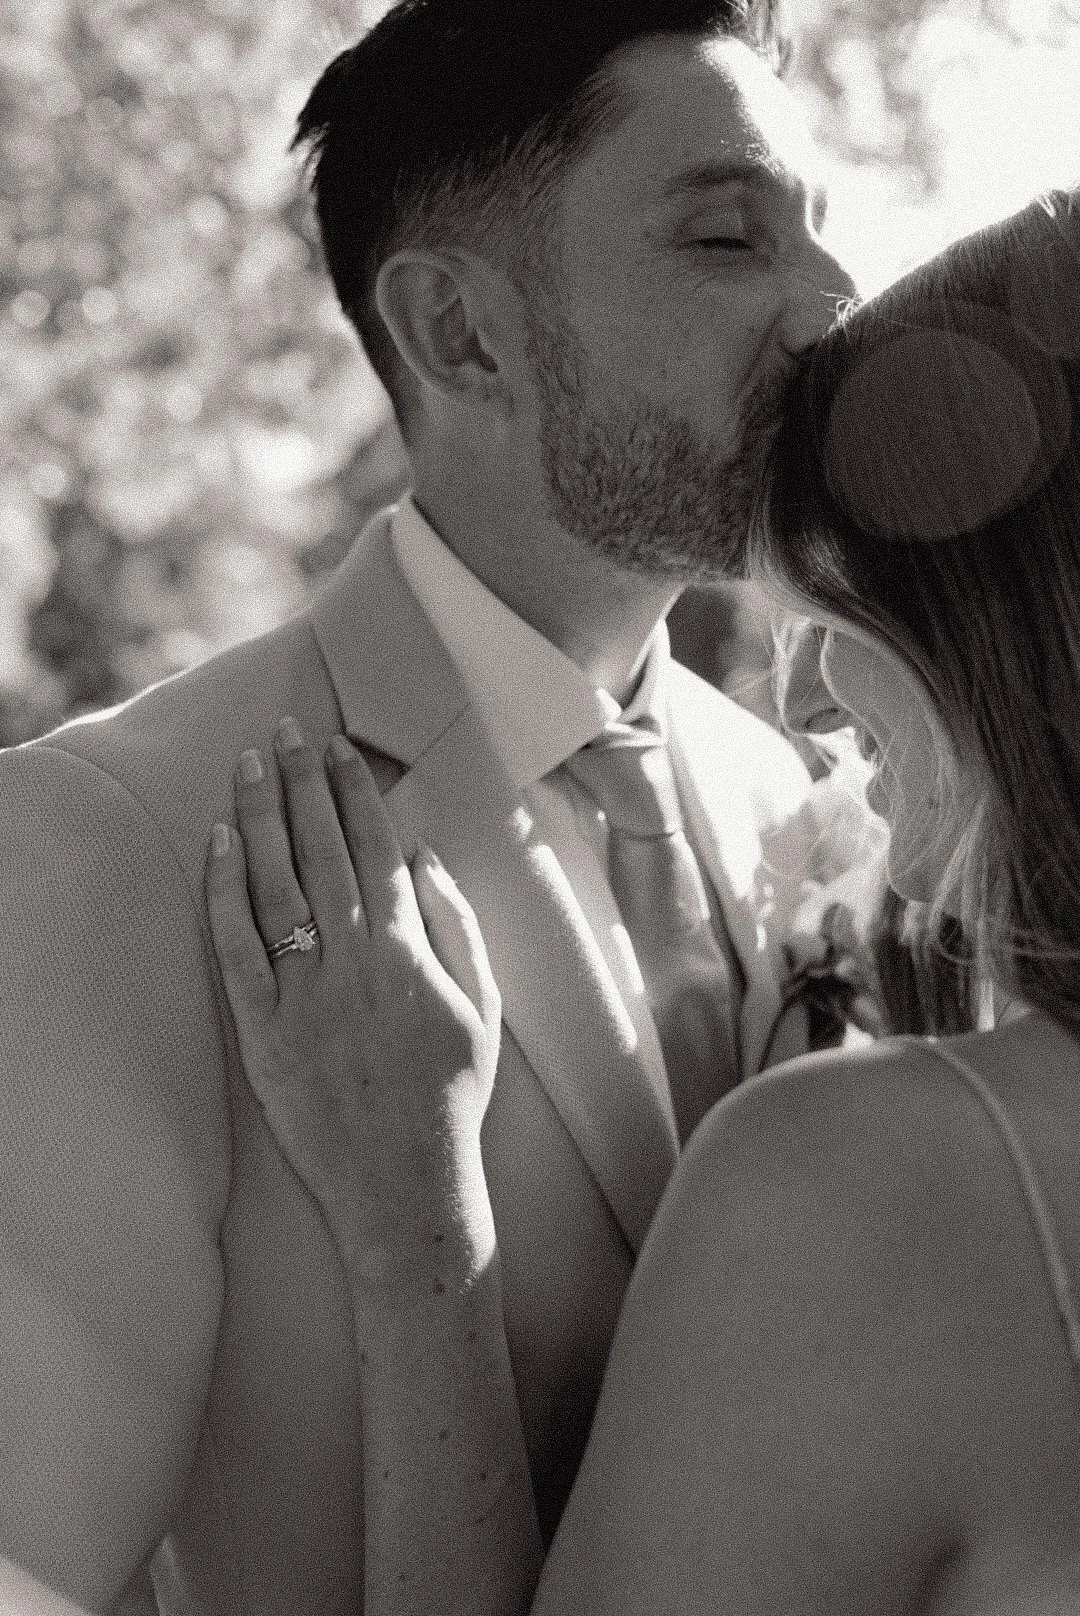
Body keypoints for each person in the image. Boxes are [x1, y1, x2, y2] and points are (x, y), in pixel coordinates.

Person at [0, 2, 867, 1609]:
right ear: (461, 335)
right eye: (730, 238)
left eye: (824, 234)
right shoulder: (98, 854)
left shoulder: (810, 813)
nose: (832, 306)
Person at [207, 187, 1080, 1615]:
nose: (797, 691)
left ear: (1012, 616)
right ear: (451, 328)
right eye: (728, 233)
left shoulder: (868, 1185)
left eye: (843, 607)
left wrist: (418, 1233)